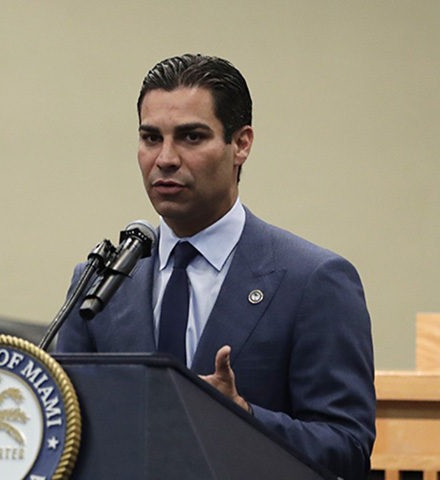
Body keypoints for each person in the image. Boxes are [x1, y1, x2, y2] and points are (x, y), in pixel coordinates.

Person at [56, 54, 375, 480]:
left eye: (190, 137)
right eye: (151, 138)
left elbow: (347, 449)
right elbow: (65, 430)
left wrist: (241, 417)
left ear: (241, 144)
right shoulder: (101, 284)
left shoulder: (314, 280)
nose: (165, 158)